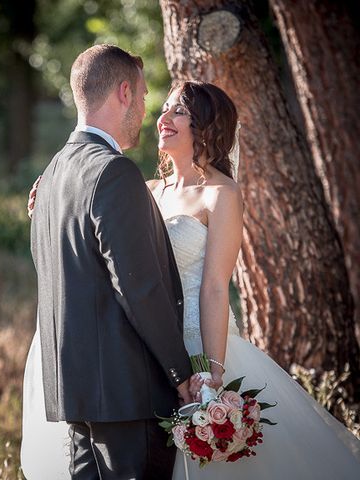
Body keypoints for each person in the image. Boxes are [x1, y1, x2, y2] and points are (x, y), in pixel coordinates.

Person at [24, 78, 360, 479]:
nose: (163, 117)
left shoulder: (220, 194)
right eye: (164, 108)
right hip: (143, 350)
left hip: (199, 345)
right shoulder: (143, 189)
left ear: (207, 126)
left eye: (178, 111)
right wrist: (50, 206)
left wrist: (212, 370)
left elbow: (215, 286)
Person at [23, 44, 194, 479]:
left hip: (76, 395)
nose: (144, 108)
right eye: (141, 95)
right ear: (123, 92)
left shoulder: (52, 174)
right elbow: (138, 286)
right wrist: (181, 373)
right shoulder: (113, 171)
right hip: (125, 392)